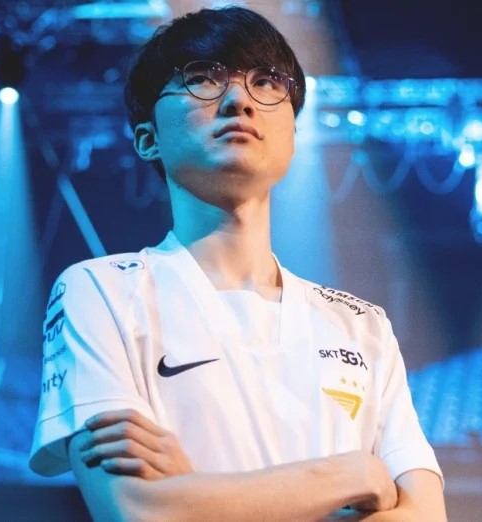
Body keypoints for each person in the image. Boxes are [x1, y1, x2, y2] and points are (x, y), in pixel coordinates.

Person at [29, 6, 445, 521]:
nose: (239, 100)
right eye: (202, 78)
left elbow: (426, 515)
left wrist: (197, 492)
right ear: (147, 138)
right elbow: (138, 510)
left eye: (266, 82)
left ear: (293, 131)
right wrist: (352, 475)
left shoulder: (363, 326)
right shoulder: (100, 292)